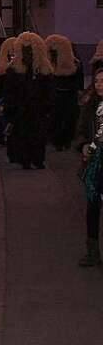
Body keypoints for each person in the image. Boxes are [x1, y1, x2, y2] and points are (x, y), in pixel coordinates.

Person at [2, 32, 53, 170]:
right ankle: (25, 159)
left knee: (37, 136)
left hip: (37, 110)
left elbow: (48, 91)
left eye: (30, 50)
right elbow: (9, 91)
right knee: (23, 135)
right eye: (25, 50)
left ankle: (37, 159)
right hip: (21, 110)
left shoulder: (43, 69)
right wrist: (11, 110)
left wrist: (46, 107)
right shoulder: (14, 69)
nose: (28, 53)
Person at [76, 67, 103, 267]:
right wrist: (83, 145)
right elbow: (82, 131)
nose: (100, 85)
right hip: (95, 163)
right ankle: (92, 251)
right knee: (92, 207)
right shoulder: (89, 105)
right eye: (97, 81)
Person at [46, 34, 83, 151]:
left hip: (66, 95)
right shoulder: (51, 63)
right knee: (59, 119)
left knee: (67, 119)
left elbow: (78, 81)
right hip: (59, 95)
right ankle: (59, 141)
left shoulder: (74, 64)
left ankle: (63, 141)